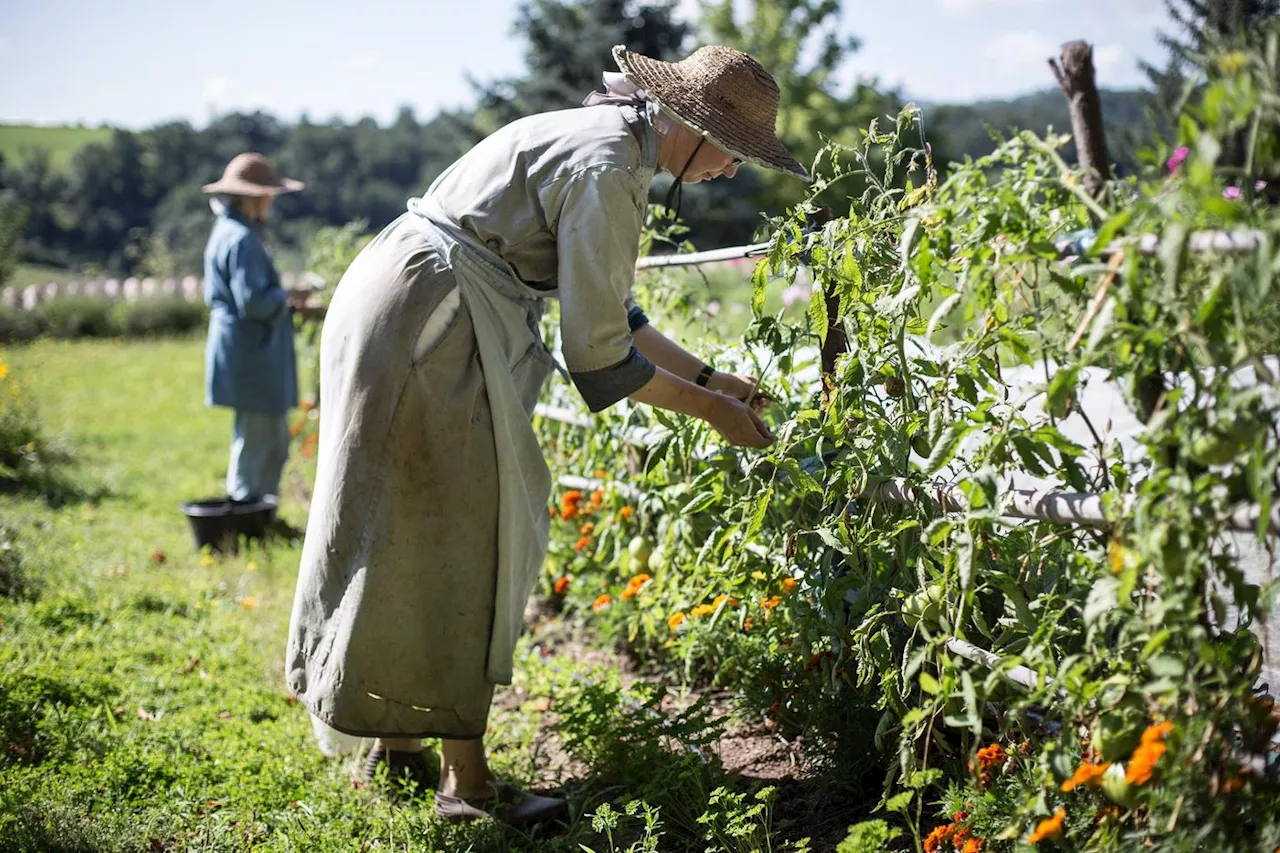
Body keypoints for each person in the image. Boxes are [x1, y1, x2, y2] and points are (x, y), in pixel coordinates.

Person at [285, 44, 807, 825]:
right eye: (733, 152)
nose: (731, 171)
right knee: (471, 526)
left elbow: (613, 310)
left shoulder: (605, 143)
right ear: (690, 127)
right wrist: (712, 413)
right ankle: (468, 786)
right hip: (431, 319)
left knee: (403, 515)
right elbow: (596, 356)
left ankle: (396, 736)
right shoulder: (609, 169)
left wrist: (708, 378)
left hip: (402, 299)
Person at [201, 152, 308, 505]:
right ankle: (248, 514)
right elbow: (255, 302)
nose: (271, 204)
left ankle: (255, 512)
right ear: (254, 198)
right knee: (260, 442)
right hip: (253, 352)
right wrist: (286, 297)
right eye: (268, 197)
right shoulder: (243, 240)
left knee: (259, 437)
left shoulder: (228, 231)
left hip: (242, 350)